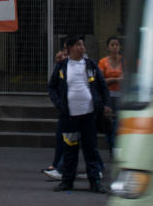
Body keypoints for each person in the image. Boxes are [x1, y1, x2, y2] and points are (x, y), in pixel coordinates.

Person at [48, 35, 110, 194]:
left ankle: (95, 182)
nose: (82, 47)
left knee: (90, 149)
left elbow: (102, 86)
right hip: (69, 116)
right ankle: (67, 182)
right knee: (70, 150)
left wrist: (105, 104)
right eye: (78, 45)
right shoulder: (62, 67)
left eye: (83, 45)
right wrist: (59, 103)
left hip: (88, 115)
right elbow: (52, 87)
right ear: (69, 48)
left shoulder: (90, 65)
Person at [42, 43, 69, 181]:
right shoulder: (61, 65)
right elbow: (53, 85)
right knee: (61, 137)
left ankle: (61, 167)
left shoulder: (84, 64)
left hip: (78, 109)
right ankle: (56, 165)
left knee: (71, 139)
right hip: (66, 108)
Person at [98, 36, 123, 157]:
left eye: (117, 44)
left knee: (118, 123)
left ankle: (115, 147)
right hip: (107, 95)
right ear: (108, 47)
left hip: (121, 96)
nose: (115, 47)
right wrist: (116, 79)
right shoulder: (103, 62)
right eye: (112, 45)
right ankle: (112, 146)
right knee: (108, 123)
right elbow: (101, 80)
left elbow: (126, 79)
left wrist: (111, 79)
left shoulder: (124, 61)